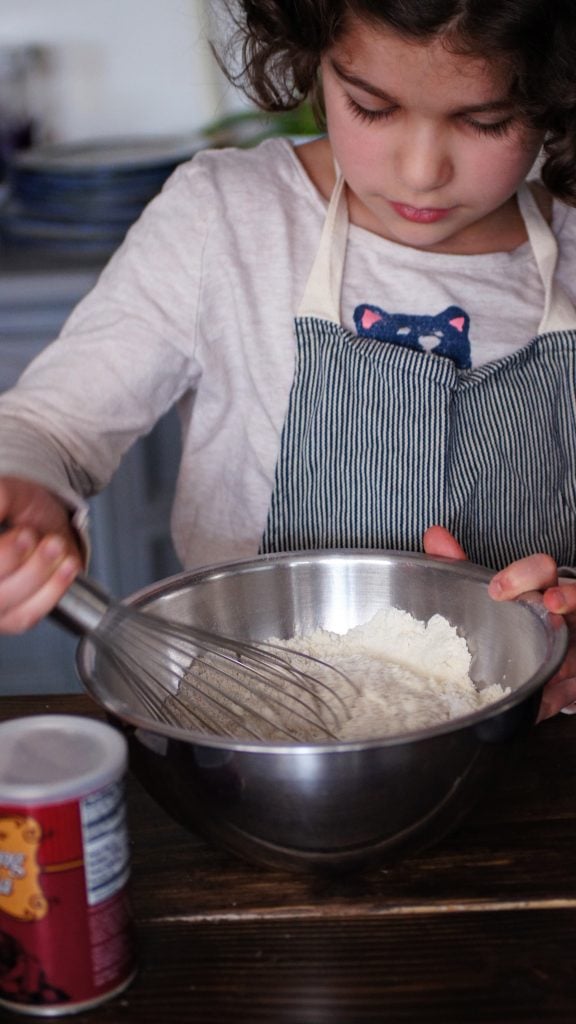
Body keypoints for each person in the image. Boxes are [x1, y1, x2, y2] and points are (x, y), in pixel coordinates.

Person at [0, 0, 575, 718]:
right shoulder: (228, 219)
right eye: (371, 107)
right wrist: (23, 484)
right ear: (313, 60)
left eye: (486, 121)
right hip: (249, 727)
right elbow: (52, 428)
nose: (423, 170)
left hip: (535, 749)